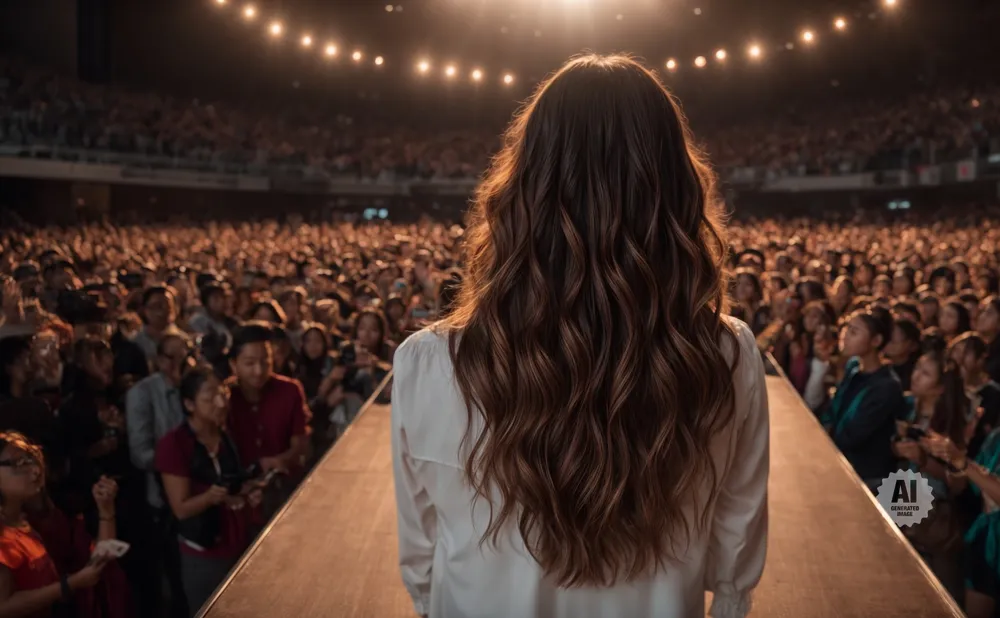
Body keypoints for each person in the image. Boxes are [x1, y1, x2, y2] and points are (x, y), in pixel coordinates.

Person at [391, 55, 769, 618]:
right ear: (676, 189)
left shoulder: (426, 363)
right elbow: (734, 555)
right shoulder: (726, 355)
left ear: (523, 185)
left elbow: (422, 559)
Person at [155, 367, 262, 617]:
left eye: (223, 393)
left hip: (236, 540)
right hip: (202, 549)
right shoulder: (173, 444)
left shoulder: (224, 434)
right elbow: (181, 509)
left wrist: (248, 493)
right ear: (189, 404)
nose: (221, 402)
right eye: (210, 396)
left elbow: (234, 485)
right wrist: (212, 497)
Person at [0, 431, 121, 618]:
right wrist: (69, 584)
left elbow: (92, 565)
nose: (35, 470)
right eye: (19, 464)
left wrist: (105, 511)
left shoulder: (35, 520)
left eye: (31, 460)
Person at [125, 332, 195, 618]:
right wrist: (180, 463)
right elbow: (140, 453)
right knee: (174, 576)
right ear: (158, 359)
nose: (179, 362)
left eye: (184, 355)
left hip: (199, 490)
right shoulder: (142, 392)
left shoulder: (195, 385)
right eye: (171, 356)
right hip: (163, 497)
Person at [226, 323, 311, 521]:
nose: (258, 371)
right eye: (249, 363)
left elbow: (300, 442)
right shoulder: (224, 396)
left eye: (266, 362)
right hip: (238, 499)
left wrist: (281, 461)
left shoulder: (290, 390)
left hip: (283, 492)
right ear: (233, 364)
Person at [821, 307, 904, 491]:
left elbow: (853, 435)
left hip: (866, 475)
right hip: (839, 458)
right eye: (846, 328)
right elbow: (834, 409)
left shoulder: (886, 386)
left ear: (876, 341)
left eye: (854, 332)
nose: (845, 335)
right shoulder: (854, 366)